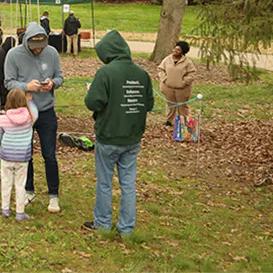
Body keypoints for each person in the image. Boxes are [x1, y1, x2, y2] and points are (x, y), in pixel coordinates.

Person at [83, 30, 155, 235]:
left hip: (109, 136)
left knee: (105, 183)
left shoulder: (105, 73)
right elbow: (148, 104)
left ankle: (103, 224)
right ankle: (126, 228)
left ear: (108, 53)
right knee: (128, 184)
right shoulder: (142, 74)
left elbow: (93, 102)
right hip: (132, 137)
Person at [4, 21, 65, 213]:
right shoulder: (13, 55)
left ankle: (53, 196)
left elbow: (60, 77)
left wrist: (52, 83)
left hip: (46, 110)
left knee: (49, 155)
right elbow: (8, 82)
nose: (38, 51)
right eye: (34, 48)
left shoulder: (52, 53)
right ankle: (28, 190)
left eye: (41, 48)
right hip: (24, 112)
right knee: (25, 154)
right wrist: (26, 87)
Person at [0, 89, 38, 221]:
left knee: (6, 182)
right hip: (22, 157)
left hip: (6, 156)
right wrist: (30, 100)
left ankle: (5, 209)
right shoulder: (30, 117)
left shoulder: (2, 119)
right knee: (20, 184)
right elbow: (35, 111)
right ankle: (20, 212)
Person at [157, 41, 196, 128]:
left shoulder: (187, 62)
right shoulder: (167, 59)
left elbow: (192, 74)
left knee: (182, 105)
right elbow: (160, 69)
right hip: (168, 87)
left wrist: (184, 82)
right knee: (170, 104)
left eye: (178, 50)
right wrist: (164, 79)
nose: (175, 51)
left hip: (182, 89)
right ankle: (169, 121)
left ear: (183, 52)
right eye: (175, 49)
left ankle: (185, 122)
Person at [0, 37, 17, 111]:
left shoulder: (1, 51)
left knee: (3, 92)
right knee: (4, 92)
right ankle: (4, 106)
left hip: (0, 75)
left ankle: (5, 106)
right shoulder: (3, 54)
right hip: (2, 75)